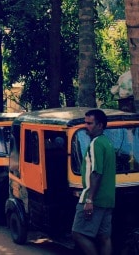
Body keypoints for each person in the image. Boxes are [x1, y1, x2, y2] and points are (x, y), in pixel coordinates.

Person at [72, 109, 115, 255]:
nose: (86, 126)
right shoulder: (107, 143)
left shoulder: (95, 144)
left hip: (94, 198)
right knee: (104, 237)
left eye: (90, 123)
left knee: (78, 233)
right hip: (108, 198)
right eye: (85, 122)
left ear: (100, 125)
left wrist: (89, 199)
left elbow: (96, 173)